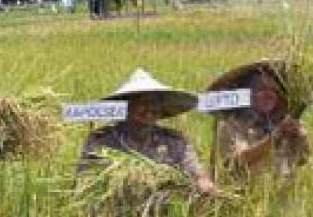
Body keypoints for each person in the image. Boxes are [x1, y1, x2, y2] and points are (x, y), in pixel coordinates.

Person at [79, 68, 216, 194]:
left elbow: (195, 171)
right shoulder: (102, 141)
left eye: (154, 103)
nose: (149, 109)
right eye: (142, 103)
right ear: (126, 106)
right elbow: (84, 181)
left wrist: (203, 181)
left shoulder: (174, 142)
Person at [208, 60, 310, 178]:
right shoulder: (233, 125)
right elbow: (238, 163)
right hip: (245, 193)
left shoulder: (285, 122)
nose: (268, 94)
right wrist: (274, 137)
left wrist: (300, 136)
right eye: (261, 89)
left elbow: (303, 160)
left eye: (273, 90)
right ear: (248, 93)